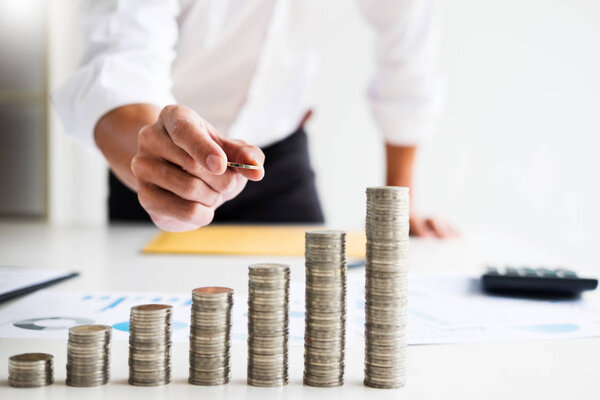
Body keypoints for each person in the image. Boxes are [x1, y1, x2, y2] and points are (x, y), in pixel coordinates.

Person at [53, 0, 456, 237]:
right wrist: (151, 156)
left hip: (279, 162)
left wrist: (400, 212)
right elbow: (120, 64)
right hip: (153, 160)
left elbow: (408, 54)